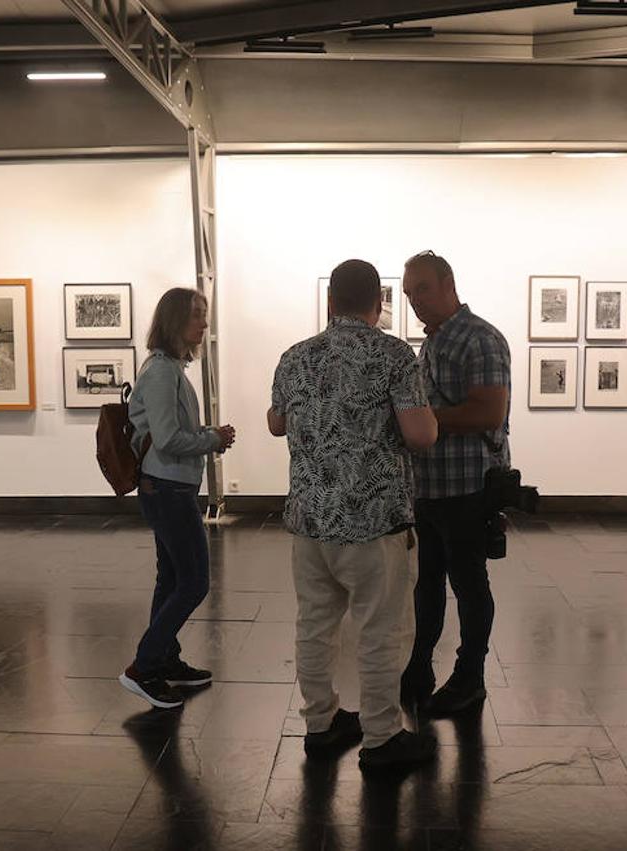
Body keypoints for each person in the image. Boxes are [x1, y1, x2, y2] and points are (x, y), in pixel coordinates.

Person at [269, 259, 439, 770]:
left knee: (315, 626)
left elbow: (276, 423)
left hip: (310, 522)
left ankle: (320, 724)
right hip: (373, 524)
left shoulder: (295, 357)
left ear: (329, 301)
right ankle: (382, 737)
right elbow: (420, 435)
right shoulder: (392, 355)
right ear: (378, 303)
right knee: (381, 630)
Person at [400, 250, 512, 717]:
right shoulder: (434, 341)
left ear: (448, 283)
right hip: (430, 486)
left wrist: (421, 421)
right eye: (408, 294)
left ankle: (470, 676)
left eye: (422, 289)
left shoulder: (480, 338)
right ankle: (420, 665)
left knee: (468, 582)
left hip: (467, 487)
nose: (416, 301)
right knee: (426, 584)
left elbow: (490, 412)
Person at [119, 287, 236, 710]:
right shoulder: (162, 372)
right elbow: (167, 439)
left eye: (204, 316)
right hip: (167, 490)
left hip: (169, 488)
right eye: (196, 317)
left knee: (170, 580)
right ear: (174, 322)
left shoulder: (168, 368)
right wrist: (212, 438)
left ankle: (165, 659)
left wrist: (207, 439)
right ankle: (144, 666)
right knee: (194, 582)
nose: (204, 325)